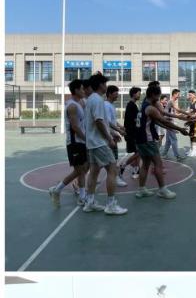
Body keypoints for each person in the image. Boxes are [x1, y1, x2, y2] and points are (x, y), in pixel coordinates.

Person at [82, 73, 127, 215]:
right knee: (112, 170)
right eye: (105, 83)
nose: (106, 86)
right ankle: (111, 205)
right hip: (99, 142)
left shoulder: (91, 99)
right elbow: (99, 121)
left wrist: (113, 133)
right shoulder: (97, 100)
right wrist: (109, 138)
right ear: (101, 85)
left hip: (91, 143)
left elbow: (102, 121)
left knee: (94, 172)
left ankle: (89, 202)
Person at [135, 84, 186, 199]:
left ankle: (141, 189)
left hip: (140, 139)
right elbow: (164, 120)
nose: (158, 99)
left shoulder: (143, 105)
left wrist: (170, 128)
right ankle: (162, 190)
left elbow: (156, 121)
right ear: (153, 95)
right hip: (148, 140)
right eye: (158, 96)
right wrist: (180, 129)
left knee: (145, 165)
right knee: (158, 164)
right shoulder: (151, 108)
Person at [49, 79, 90, 206]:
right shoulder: (72, 106)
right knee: (80, 170)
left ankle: (79, 195)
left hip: (80, 141)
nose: (84, 91)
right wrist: (87, 140)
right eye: (82, 89)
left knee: (83, 169)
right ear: (76, 90)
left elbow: (87, 101)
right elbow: (75, 127)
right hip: (74, 143)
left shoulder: (80, 103)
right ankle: (58, 190)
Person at [161, 89, 186, 159]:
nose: (179, 96)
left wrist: (185, 115)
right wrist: (187, 113)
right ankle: (177, 156)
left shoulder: (172, 102)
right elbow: (178, 109)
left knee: (168, 141)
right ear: (174, 94)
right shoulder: (171, 101)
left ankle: (163, 154)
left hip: (169, 121)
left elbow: (176, 114)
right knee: (174, 139)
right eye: (178, 94)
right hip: (168, 122)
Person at [185, 90, 196, 157]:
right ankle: (191, 149)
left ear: (194, 95)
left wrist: (191, 115)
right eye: (189, 95)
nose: (189, 96)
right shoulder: (191, 103)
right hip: (192, 122)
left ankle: (194, 151)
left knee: (194, 136)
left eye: (190, 95)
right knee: (191, 135)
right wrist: (182, 113)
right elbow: (188, 111)